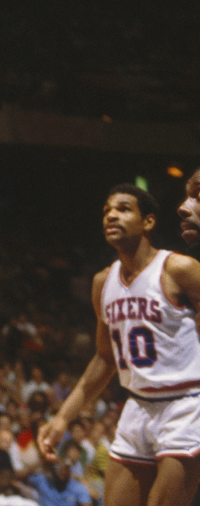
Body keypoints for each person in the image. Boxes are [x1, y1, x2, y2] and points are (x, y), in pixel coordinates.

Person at [37, 184, 200, 506]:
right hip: (136, 406)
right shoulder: (102, 282)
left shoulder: (178, 269)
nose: (111, 215)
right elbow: (104, 359)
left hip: (186, 404)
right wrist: (62, 419)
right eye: (106, 211)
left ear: (148, 222)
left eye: (124, 209)